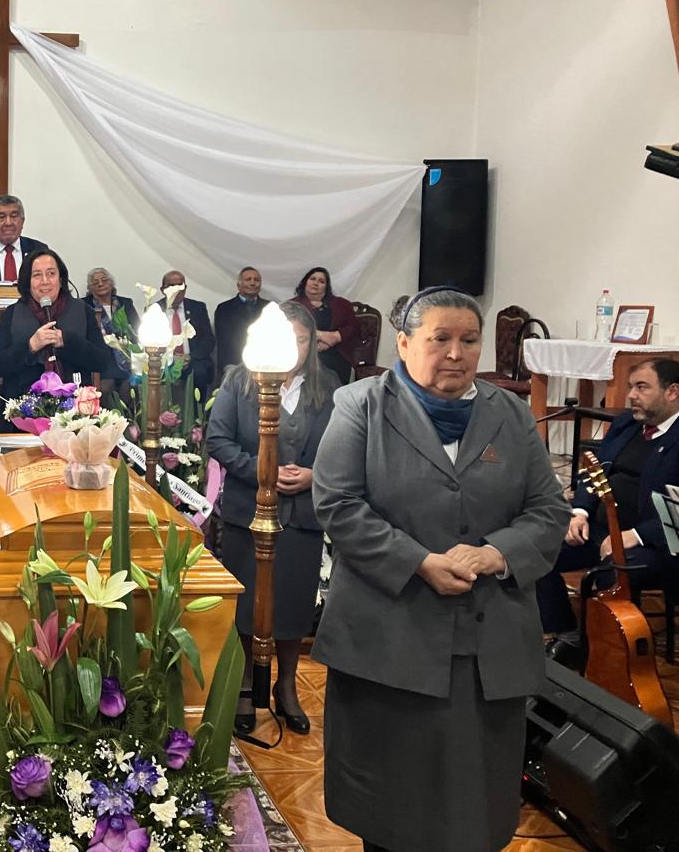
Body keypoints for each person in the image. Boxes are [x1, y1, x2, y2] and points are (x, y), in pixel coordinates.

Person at [310, 287, 567, 852]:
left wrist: (498, 552)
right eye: (440, 338)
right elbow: (338, 504)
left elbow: (549, 510)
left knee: (473, 807)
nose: (456, 352)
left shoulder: (511, 413)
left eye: (469, 340)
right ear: (404, 344)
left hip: (487, 642)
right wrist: (418, 561)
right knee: (391, 806)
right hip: (388, 637)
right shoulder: (360, 405)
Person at [206, 300, 337, 735]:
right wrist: (262, 471)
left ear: (312, 344)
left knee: (294, 605)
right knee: (247, 603)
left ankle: (286, 685)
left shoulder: (328, 387)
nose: (294, 349)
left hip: (302, 516)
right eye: (288, 340)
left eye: (302, 340)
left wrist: (314, 475)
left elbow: (342, 448)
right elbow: (218, 439)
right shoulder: (239, 381)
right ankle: (245, 683)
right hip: (249, 511)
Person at [538, 357, 679, 658]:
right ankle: (568, 635)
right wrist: (580, 512)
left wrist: (636, 535)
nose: (631, 396)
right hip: (602, 528)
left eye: (642, 387)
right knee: (535, 549)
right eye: (630, 387)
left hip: (657, 543)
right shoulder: (627, 424)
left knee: (613, 572)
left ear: (672, 392)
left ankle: (615, 654)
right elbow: (594, 471)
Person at [0, 249, 113, 431]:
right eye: (37, 275)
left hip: (75, 418)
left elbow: (102, 361)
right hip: (23, 417)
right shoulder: (13, 313)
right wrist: (30, 346)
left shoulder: (82, 310)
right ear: (27, 282)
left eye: (51, 273)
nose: (45, 281)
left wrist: (67, 341)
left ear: (61, 279)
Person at [290, 266, 360, 385]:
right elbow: (288, 331)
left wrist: (336, 337)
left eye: (321, 281)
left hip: (336, 354)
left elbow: (354, 329)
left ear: (326, 287)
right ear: (305, 282)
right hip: (305, 355)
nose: (316, 283)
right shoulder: (292, 305)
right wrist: (320, 336)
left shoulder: (342, 304)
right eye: (313, 279)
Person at [158, 269, 217, 400]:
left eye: (180, 285)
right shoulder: (155, 309)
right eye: (171, 285)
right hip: (164, 361)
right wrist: (171, 357)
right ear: (163, 289)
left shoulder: (197, 307)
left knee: (200, 373)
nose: (176, 289)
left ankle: (198, 412)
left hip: (192, 359)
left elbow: (208, 340)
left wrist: (190, 357)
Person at [83, 267, 139, 402]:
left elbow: (136, 329)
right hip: (101, 357)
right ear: (90, 288)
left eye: (104, 280)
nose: (100, 284)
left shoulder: (125, 303)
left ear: (111, 283)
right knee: (105, 387)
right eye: (95, 282)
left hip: (125, 356)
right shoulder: (84, 305)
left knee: (128, 388)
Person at [213, 266, 272, 379]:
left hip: (264, 361)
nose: (253, 283)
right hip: (234, 362)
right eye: (248, 279)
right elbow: (225, 341)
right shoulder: (224, 308)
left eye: (256, 280)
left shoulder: (270, 308)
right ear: (238, 285)